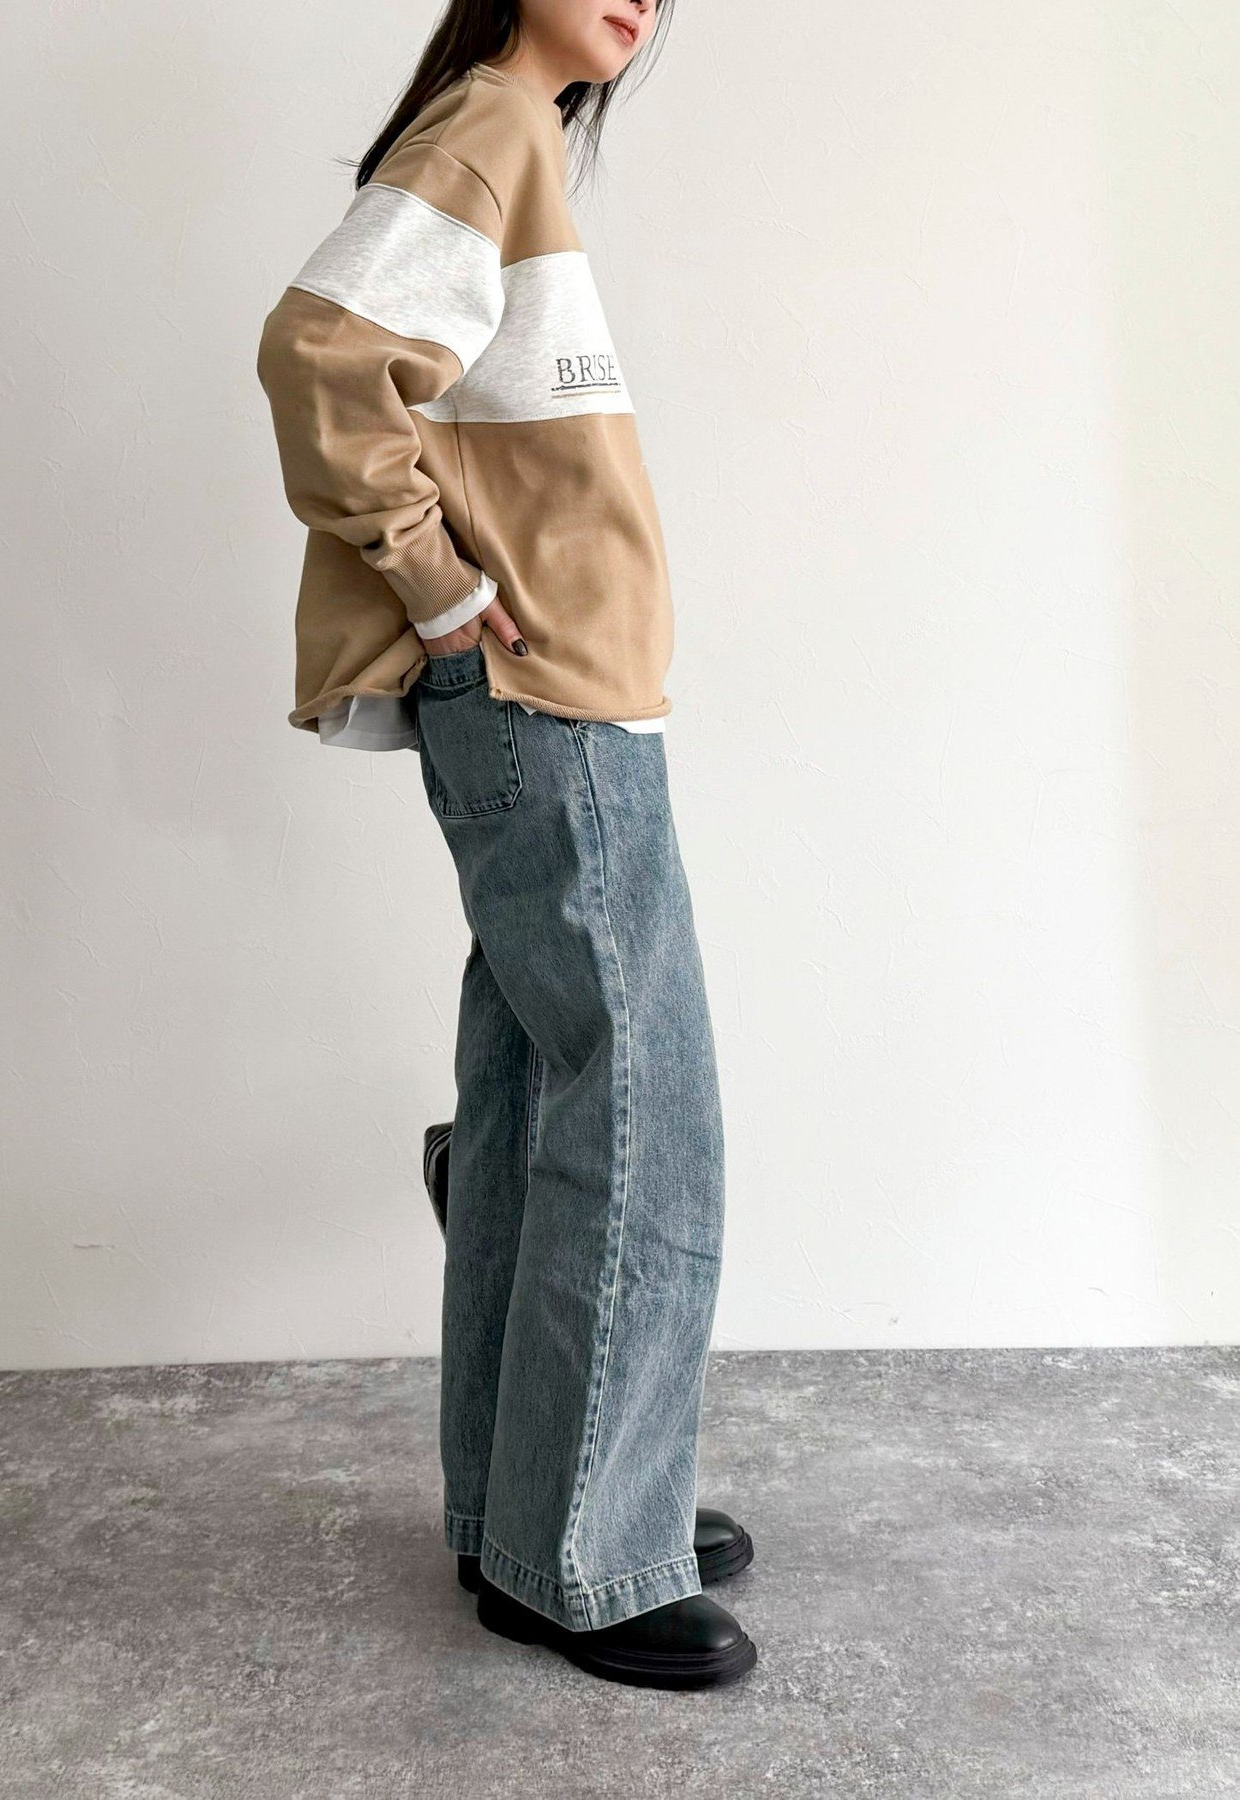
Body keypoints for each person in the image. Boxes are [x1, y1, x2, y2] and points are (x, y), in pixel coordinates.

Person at [255, 0, 758, 1691]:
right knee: (638, 1114)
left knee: (545, 1098)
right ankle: (584, 1556)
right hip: (545, 698)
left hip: (552, 697)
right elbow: (320, 353)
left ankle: (536, 1507)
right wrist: (443, 591)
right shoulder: (489, 129)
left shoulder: (508, 134)